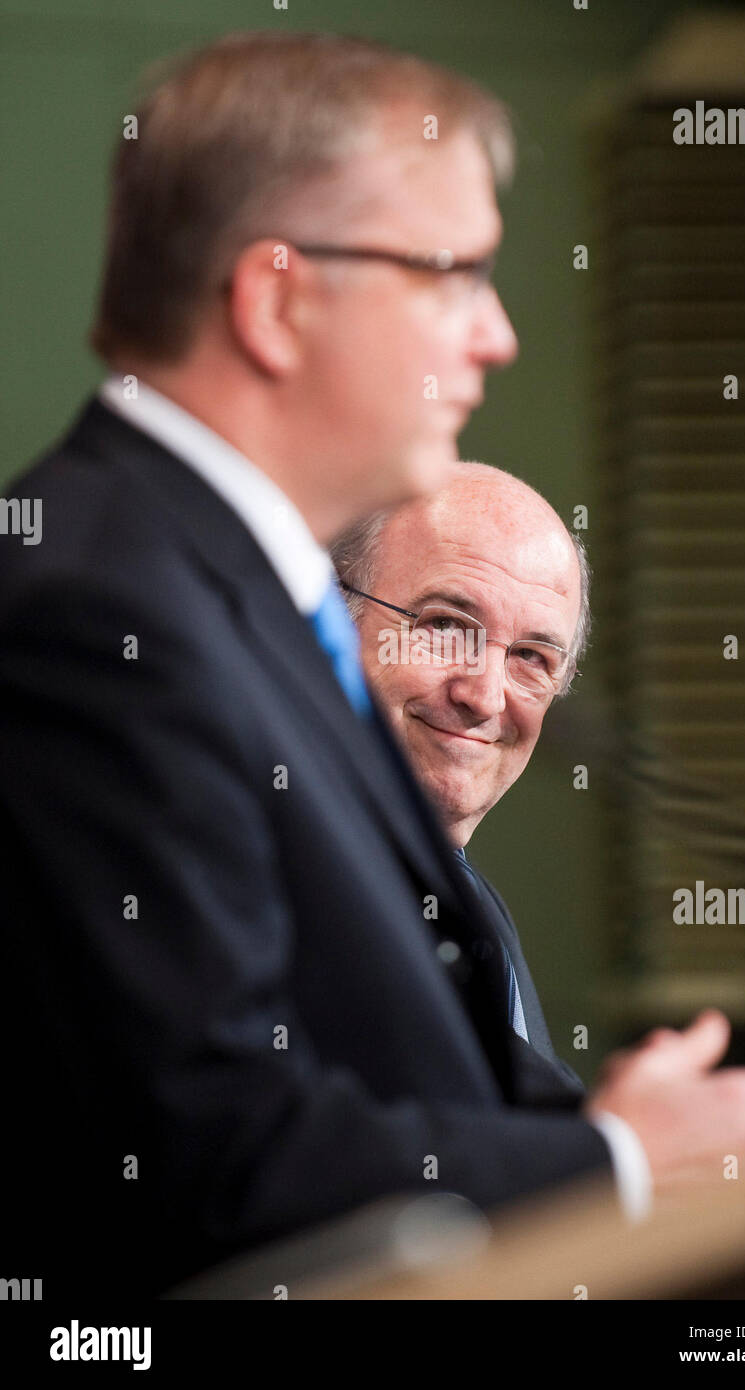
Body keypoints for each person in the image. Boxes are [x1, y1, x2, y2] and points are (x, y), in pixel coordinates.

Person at [0, 30, 641, 1302]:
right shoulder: (92, 606)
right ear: (280, 302)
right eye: (454, 274)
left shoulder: (229, 592)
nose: (499, 335)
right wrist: (619, 1164)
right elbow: (213, 1150)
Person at [333, 461, 745, 1214]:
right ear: (335, 621)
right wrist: (618, 1155)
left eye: (532, 659)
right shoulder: (285, 872)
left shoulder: (469, 904)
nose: (484, 695)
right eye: (445, 627)